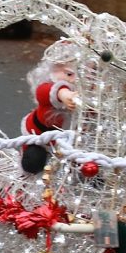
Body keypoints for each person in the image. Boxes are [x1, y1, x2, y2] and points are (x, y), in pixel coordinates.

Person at [20, 40, 81, 173]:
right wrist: (64, 94)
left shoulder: (83, 94)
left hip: (67, 140)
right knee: (33, 162)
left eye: (80, 75)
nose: (74, 80)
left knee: (78, 159)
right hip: (39, 137)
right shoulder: (47, 87)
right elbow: (46, 92)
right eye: (69, 74)